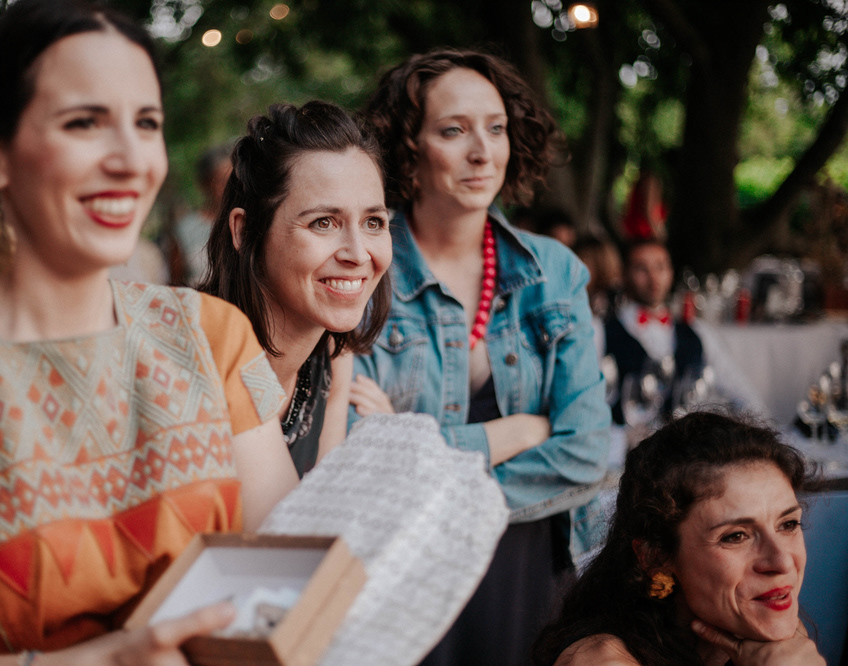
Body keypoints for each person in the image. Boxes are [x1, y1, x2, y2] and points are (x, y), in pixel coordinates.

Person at [0, 0, 298, 662]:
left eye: (146, 123)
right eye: (84, 122)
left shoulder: (214, 335)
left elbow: (290, 594)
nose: (130, 159)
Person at [350, 48, 610, 664]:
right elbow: (358, 456)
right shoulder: (364, 269)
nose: (482, 152)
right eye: (453, 131)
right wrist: (515, 431)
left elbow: (585, 451)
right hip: (404, 570)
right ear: (407, 148)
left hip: (527, 564)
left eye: (496, 128)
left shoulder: (554, 272)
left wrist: (421, 458)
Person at [533, 410, 824, 666]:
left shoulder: (775, 640)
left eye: (788, 524)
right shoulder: (600, 660)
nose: (782, 562)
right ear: (655, 557)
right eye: (736, 536)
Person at [201, 101, 392, 478]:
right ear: (245, 231)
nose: (358, 254)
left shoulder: (334, 357)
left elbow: (318, 507)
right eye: (323, 222)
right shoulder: (195, 354)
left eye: (373, 222)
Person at [598, 238, 764, 423]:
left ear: (670, 272)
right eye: (642, 269)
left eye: (660, 267)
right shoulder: (601, 332)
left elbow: (741, 391)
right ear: (624, 274)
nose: (653, 277)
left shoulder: (698, 332)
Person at [167, 144, 232, 286]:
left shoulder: (247, 225)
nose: (229, 188)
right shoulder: (185, 230)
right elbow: (175, 282)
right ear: (205, 184)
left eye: (233, 181)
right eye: (221, 181)